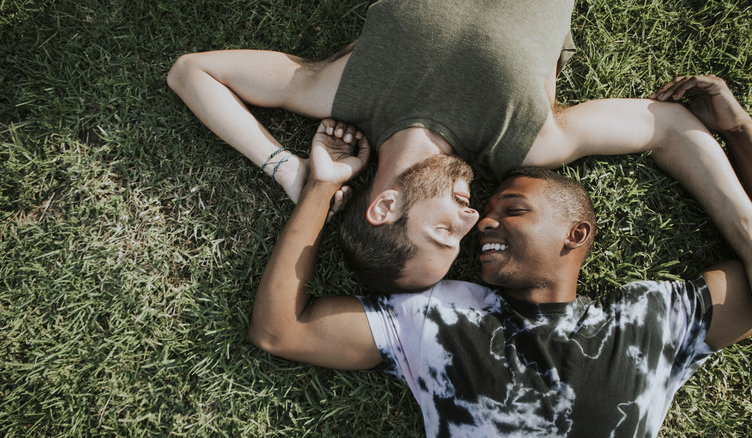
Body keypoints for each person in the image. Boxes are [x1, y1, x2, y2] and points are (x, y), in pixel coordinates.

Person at [248, 75, 752, 436]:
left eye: (512, 210)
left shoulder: (651, 322)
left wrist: (739, 133)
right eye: (483, 211)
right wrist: (323, 187)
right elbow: (280, 330)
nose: (482, 223)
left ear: (576, 234)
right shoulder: (435, 316)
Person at [167, 0, 752, 294]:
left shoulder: (337, 91)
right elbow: (669, 126)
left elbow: (192, 72)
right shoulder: (528, 142)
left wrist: (294, 175)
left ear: (384, 207)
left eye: (447, 232)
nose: (474, 217)